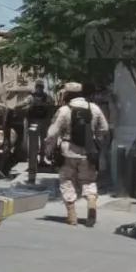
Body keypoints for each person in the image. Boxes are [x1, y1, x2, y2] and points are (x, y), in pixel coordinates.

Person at [44, 81, 110, 227]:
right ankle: (91, 201)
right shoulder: (94, 108)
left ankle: (72, 215)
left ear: (68, 94)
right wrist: (97, 143)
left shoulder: (64, 110)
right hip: (88, 152)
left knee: (66, 180)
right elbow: (104, 129)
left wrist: (48, 151)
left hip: (68, 152)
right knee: (89, 180)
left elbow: (52, 134)